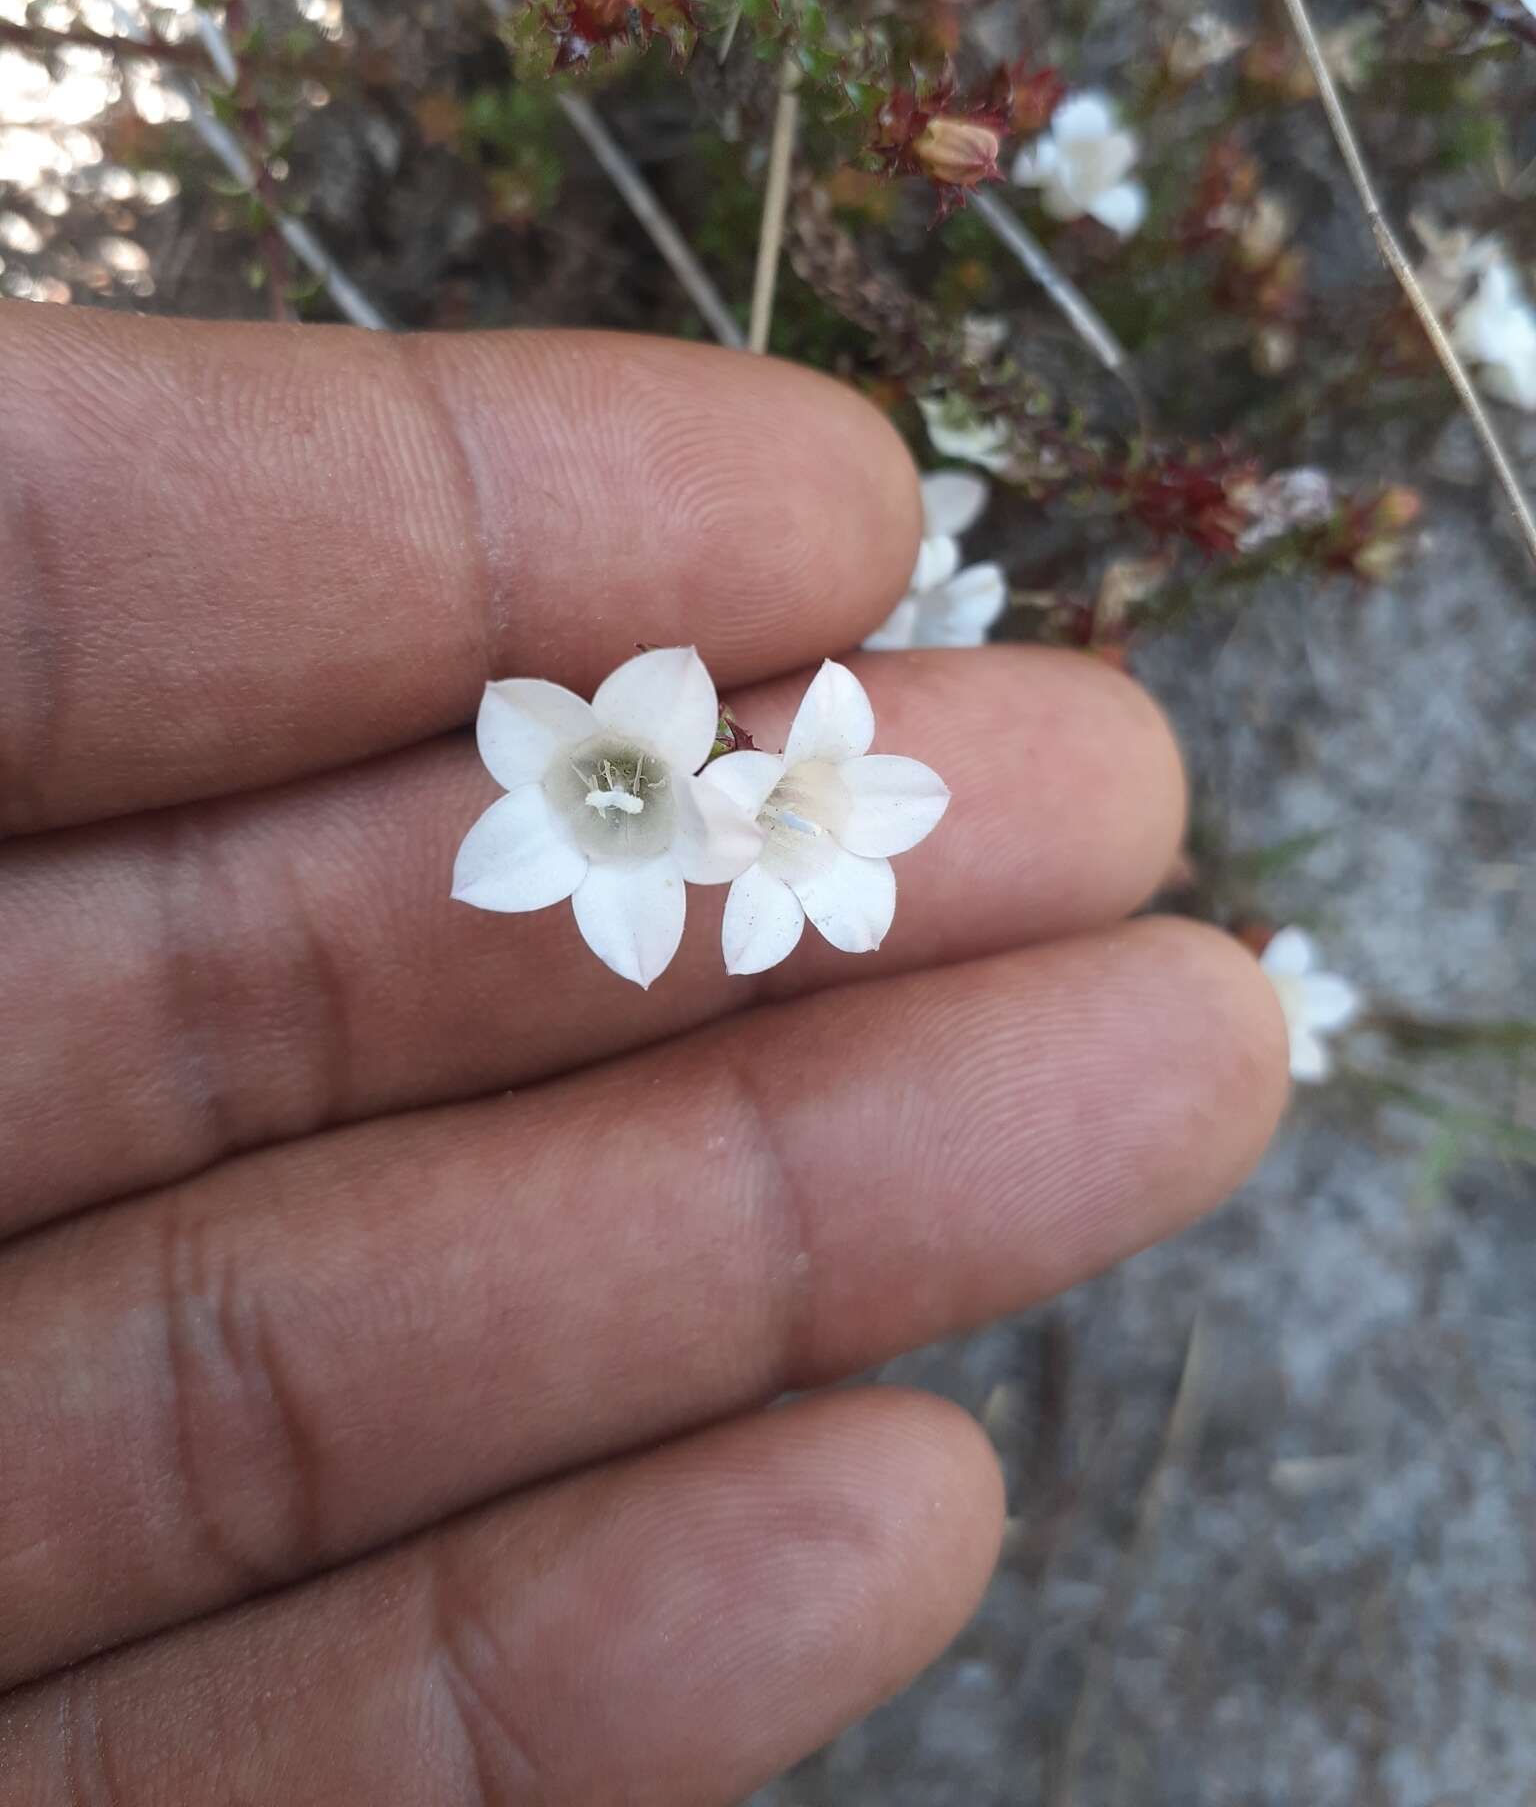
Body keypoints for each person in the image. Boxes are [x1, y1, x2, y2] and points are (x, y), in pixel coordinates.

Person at [0, 304, 1287, 1804]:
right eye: (606, 764)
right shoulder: (592, 763)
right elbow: (619, 771)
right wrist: (668, 787)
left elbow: (731, 805)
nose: (614, 772)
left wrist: (712, 799)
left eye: (629, 765)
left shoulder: (704, 790)